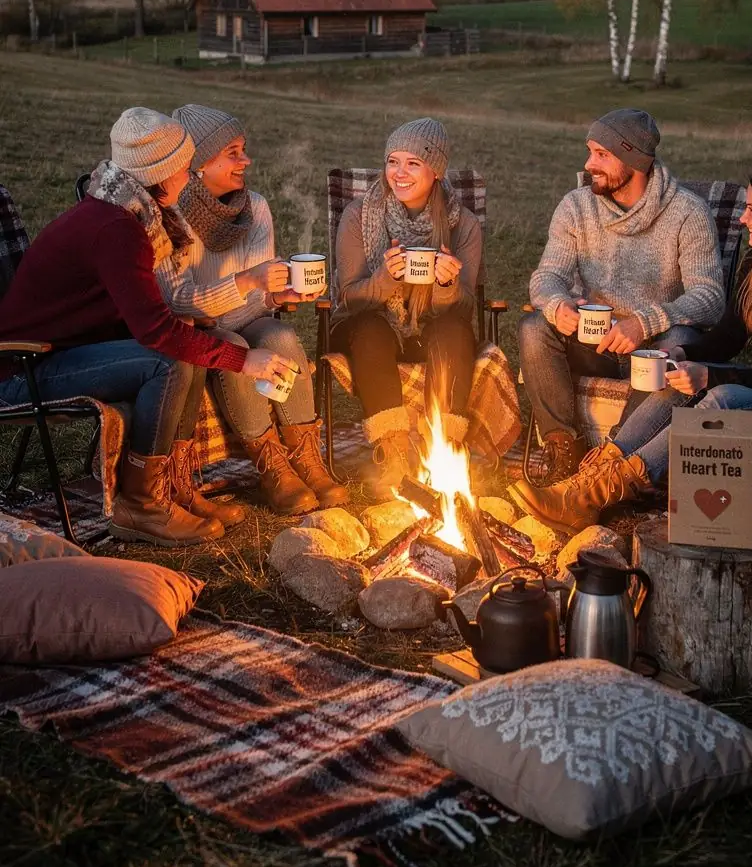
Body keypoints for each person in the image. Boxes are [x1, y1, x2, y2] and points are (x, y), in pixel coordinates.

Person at [0, 108, 297, 547]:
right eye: (184, 164)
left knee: (188, 348)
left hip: (65, 350)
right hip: (24, 367)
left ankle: (175, 486)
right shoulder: (117, 229)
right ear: (160, 172)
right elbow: (155, 333)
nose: (191, 171)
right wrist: (243, 359)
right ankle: (140, 504)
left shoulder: (131, 213)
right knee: (168, 361)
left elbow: (152, 318)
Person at [512, 167, 752, 534]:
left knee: (719, 398)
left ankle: (598, 493)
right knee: (674, 376)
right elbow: (730, 337)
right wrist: (684, 357)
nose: (742, 218)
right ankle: (594, 477)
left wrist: (709, 374)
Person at [517, 108, 725, 485]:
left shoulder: (687, 214)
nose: (588, 164)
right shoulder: (576, 207)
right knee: (535, 326)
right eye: (590, 151)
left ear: (634, 160)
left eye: (602, 154)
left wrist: (645, 321)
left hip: (655, 349)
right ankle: (563, 449)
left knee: (678, 340)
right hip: (595, 345)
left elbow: (710, 298)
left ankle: (615, 464)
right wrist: (556, 305)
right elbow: (547, 277)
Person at [156, 104, 345, 513]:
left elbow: (259, 297)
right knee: (234, 348)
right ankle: (272, 466)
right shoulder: (171, 217)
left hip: (249, 318)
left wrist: (277, 296)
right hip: (196, 330)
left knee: (280, 334)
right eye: (234, 153)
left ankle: (307, 460)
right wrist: (247, 282)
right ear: (200, 164)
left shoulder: (254, 207)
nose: (247, 160)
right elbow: (179, 301)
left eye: (244, 149)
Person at [331, 118, 481, 494]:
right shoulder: (358, 215)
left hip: (429, 327)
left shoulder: (463, 225)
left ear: (436, 170)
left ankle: (444, 451)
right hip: (365, 326)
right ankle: (393, 454)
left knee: (453, 331)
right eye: (392, 161)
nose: (398, 173)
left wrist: (446, 285)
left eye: (413, 163)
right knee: (371, 329)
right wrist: (385, 279)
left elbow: (463, 310)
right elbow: (348, 297)